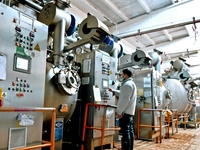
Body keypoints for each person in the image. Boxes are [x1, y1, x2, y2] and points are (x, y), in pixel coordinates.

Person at [108, 68, 137, 150]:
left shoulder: (127, 84)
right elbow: (123, 94)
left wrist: (119, 112)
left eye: (122, 74)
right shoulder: (131, 84)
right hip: (129, 112)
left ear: (126, 75)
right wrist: (113, 91)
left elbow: (124, 99)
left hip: (125, 112)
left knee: (125, 132)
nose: (122, 76)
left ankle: (126, 148)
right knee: (130, 131)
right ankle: (130, 148)